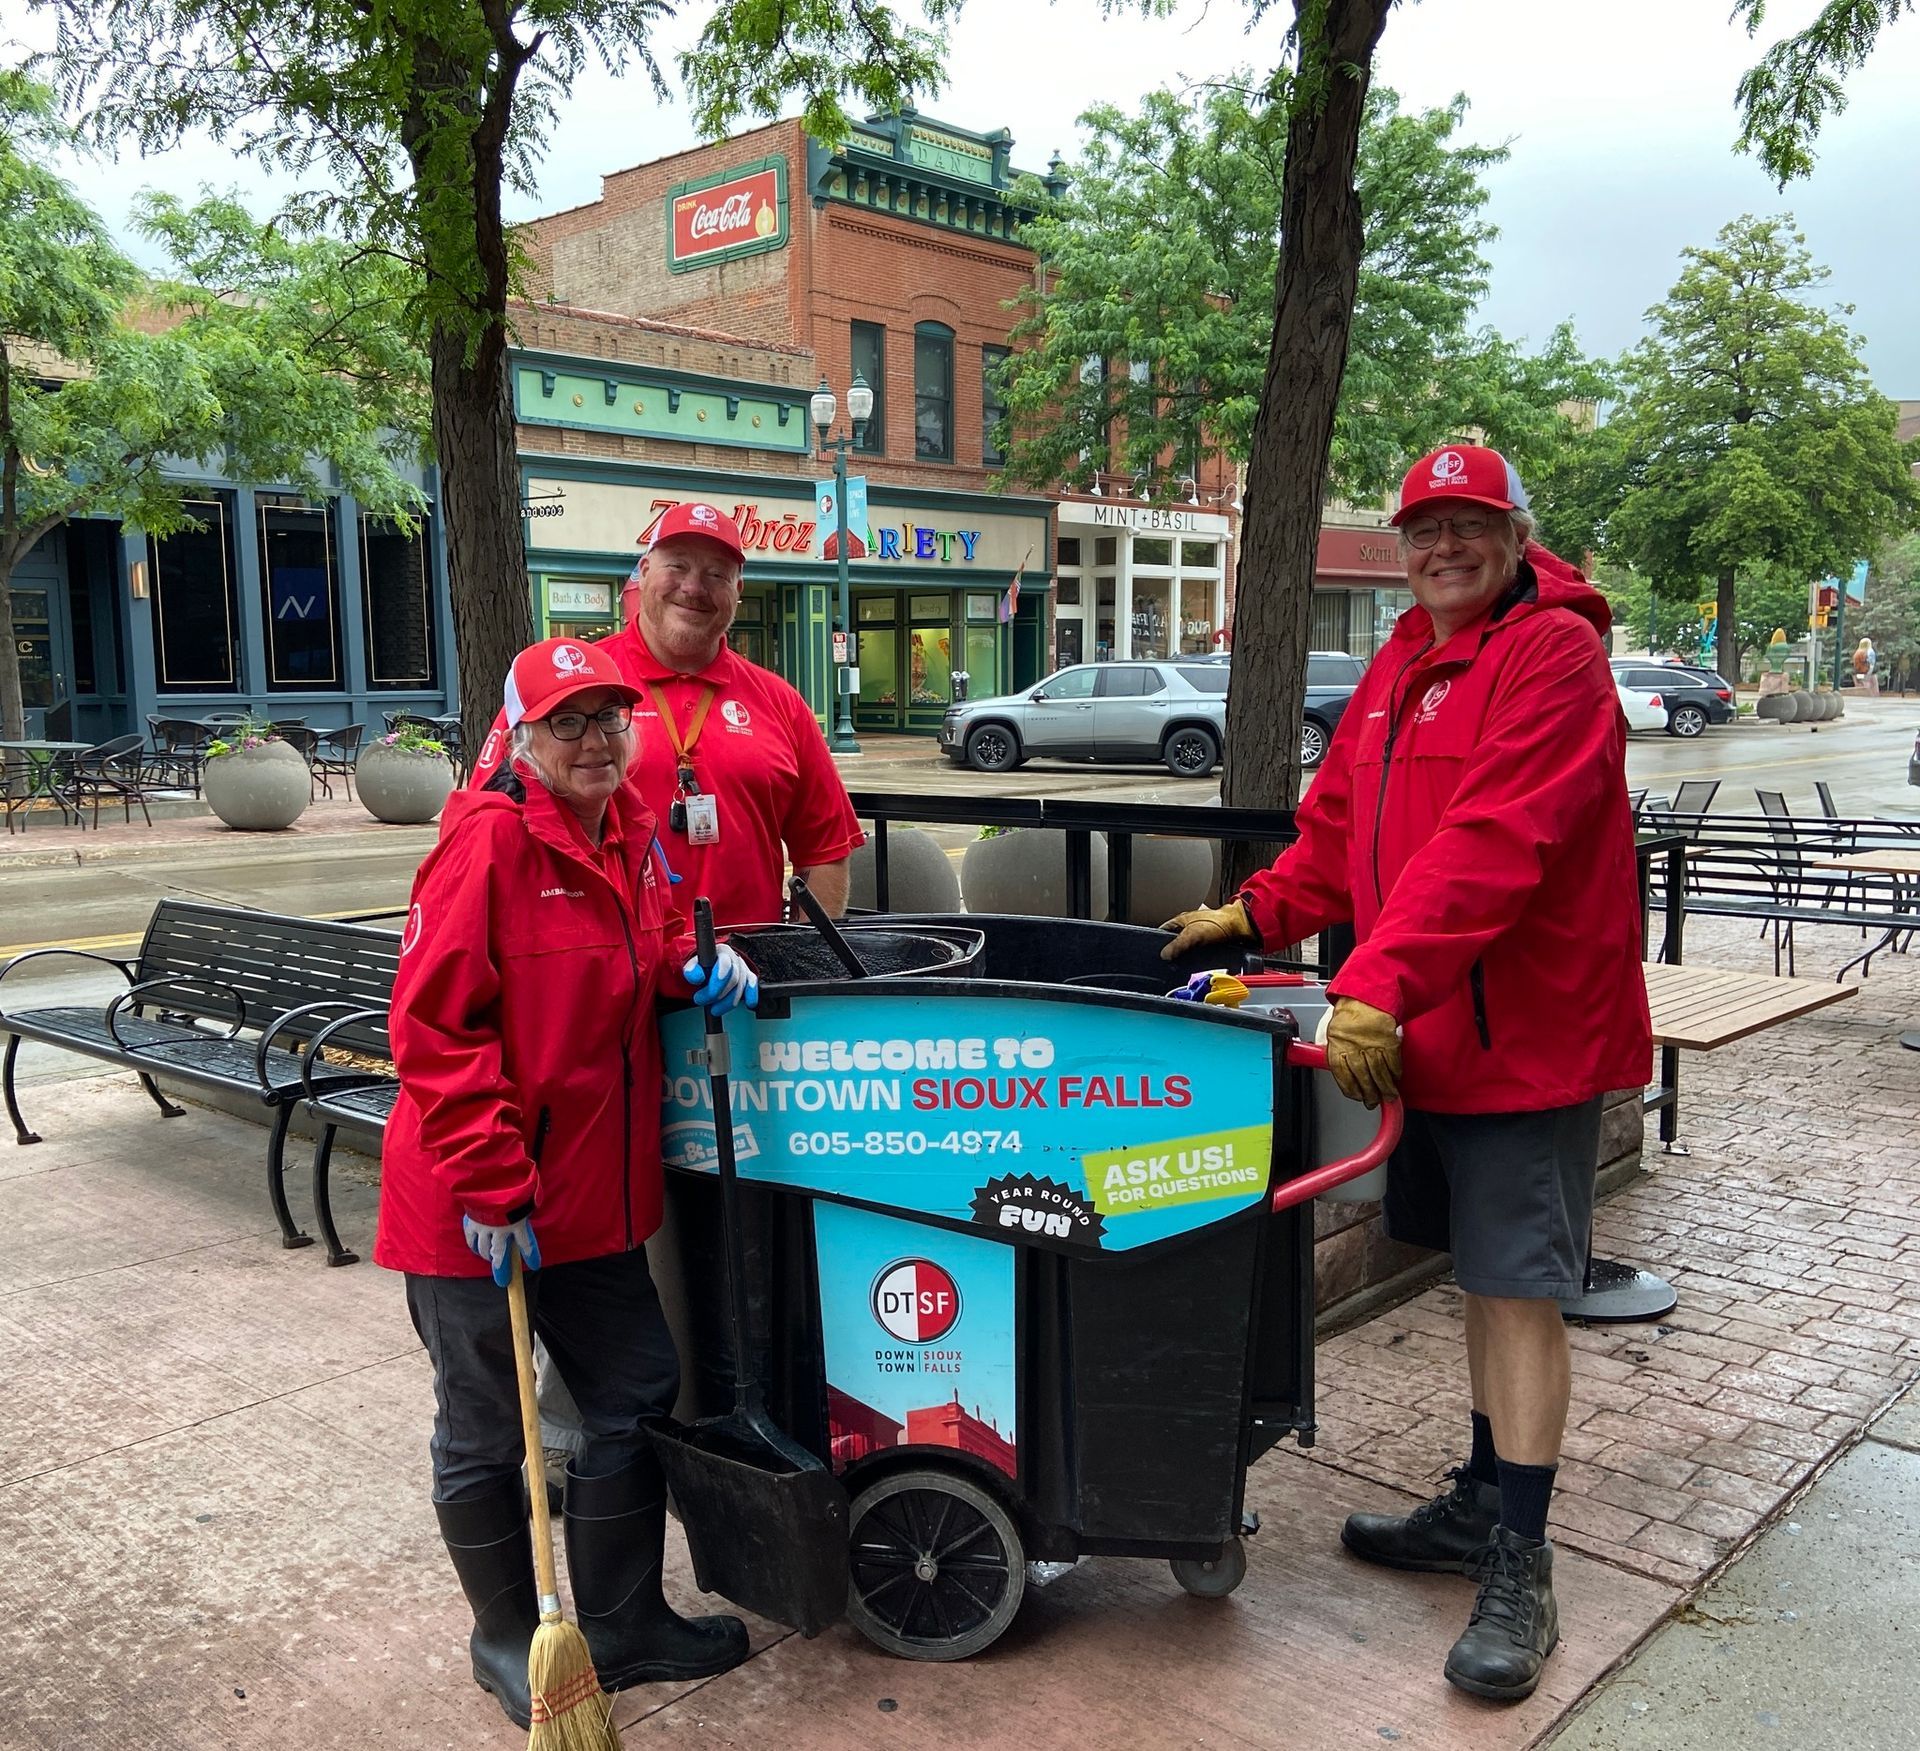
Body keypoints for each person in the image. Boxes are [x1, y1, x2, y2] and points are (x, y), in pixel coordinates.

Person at [1162, 445, 1650, 1703]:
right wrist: (1255, 910)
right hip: (1433, 1034)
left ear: (1512, 533)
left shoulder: (1554, 655)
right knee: (1473, 1281)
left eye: (1469, 525)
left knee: (1516, 1291)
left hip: (1525, 1040)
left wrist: (1377, 981)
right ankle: (1485, 1500)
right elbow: (1344, 828)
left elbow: (1498, 839)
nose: (1445, 547)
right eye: (1425, 527)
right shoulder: (1400, 660)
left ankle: (1524, 1566)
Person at [376, 636, 762, 1729]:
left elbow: (620, 958)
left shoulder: (629, 829)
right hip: (476, 1198)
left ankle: (629, 1621)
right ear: (523, 734)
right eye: (568, 723)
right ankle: (509, 1638)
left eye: (610, 718)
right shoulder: (487, 844)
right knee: (488, 1423)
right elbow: (436, 1031)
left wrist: (688, 963)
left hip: (591, 1194)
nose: (595, 741)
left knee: (636, 1388)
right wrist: (495, 1185)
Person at [470, 501, 864, 925]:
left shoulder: (781, 702)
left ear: (738, 590)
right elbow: (483, 836)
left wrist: (801, 959)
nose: (694, 587)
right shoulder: (565, 684)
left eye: (716, 574)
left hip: (750, 979)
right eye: (676, 566)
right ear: (643, 571)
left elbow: (826, 851)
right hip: (611, 976)